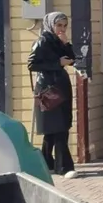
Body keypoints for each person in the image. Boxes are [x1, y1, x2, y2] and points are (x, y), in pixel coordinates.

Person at [27, 11, 78, 179]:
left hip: (60, 86)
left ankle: (46, 162)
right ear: (50, 25)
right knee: (59, 127)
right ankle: (64, 167)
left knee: (54, 128)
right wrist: (57, 63)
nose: (62, 29)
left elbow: (72, 59)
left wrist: (66, 43)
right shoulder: (43, 41)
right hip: (48, 88)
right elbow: (32, 64)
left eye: (65, 26)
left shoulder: (58, 41)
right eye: (59, 25)